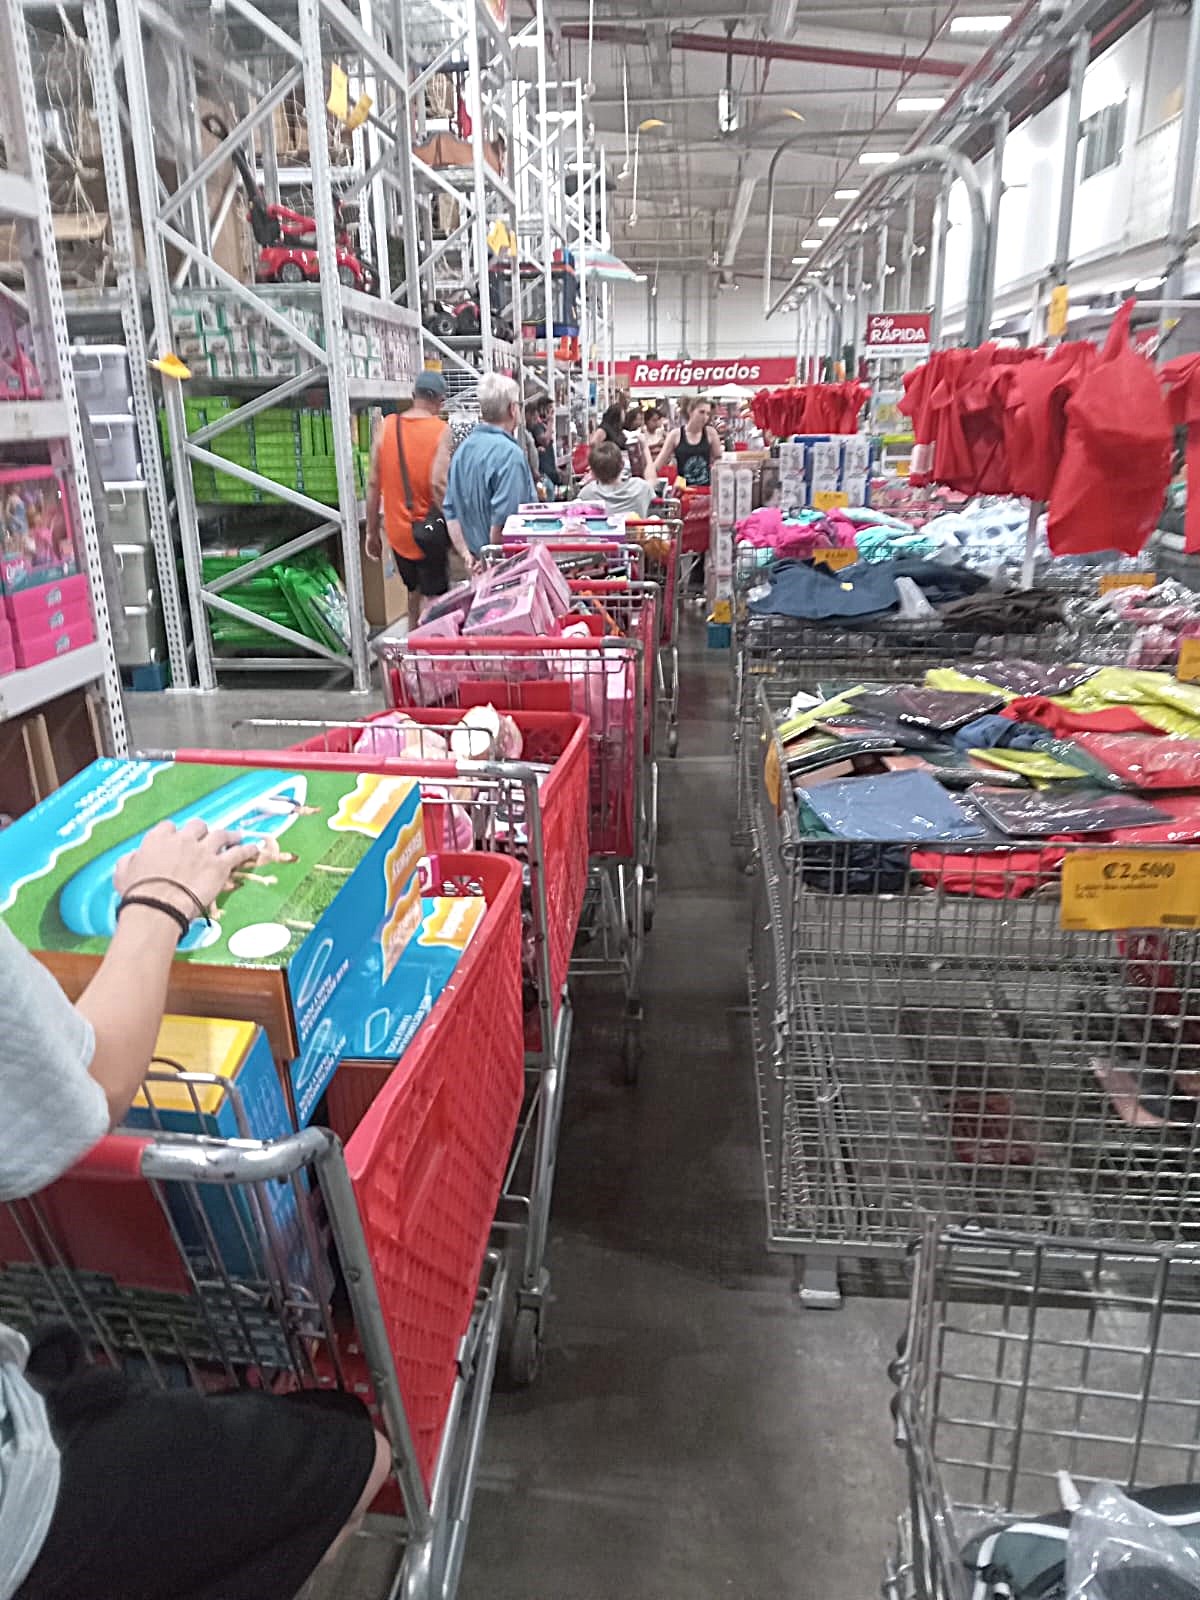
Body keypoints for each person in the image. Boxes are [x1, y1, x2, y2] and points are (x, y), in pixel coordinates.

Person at [0, 818, 393, 1600]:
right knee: (362, 1452)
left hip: (33, 1401)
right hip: (23, 1512)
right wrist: (160, 900)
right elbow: (90, 1082)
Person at [364, 369, 452, 630]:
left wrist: (371, 532)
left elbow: (373, 484)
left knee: (413, 592)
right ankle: (434, 647)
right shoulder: (441, 430)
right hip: (429, 531)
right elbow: (439, 484)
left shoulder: (387, 427)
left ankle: (413, 642)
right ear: (440, 401)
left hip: (399, 534)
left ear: (413, 396)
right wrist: (456, 526)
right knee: (436, 600)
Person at [443, 371, 537, 568]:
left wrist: (467, 556)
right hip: (507, 567)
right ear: (512, 409)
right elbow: (503, 523)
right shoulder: (510, 455)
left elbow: (450, 512)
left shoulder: (462, 451)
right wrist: (493, 563)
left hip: (477, 565)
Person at [654, 395, 724, 487]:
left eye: (707, 413)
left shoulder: (711, 433)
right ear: (690, 411)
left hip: (705, 489)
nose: (705, 417)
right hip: (683, 489)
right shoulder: (675, 435)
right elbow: (658, 464)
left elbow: (718, 459)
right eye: (701, 412)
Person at [586, 440, 655, 520]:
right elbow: (652, 480)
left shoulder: (587, 493)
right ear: (622, 464)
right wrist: (645, 447)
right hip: (634, 528)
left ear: (593, 472)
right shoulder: (640, 487)